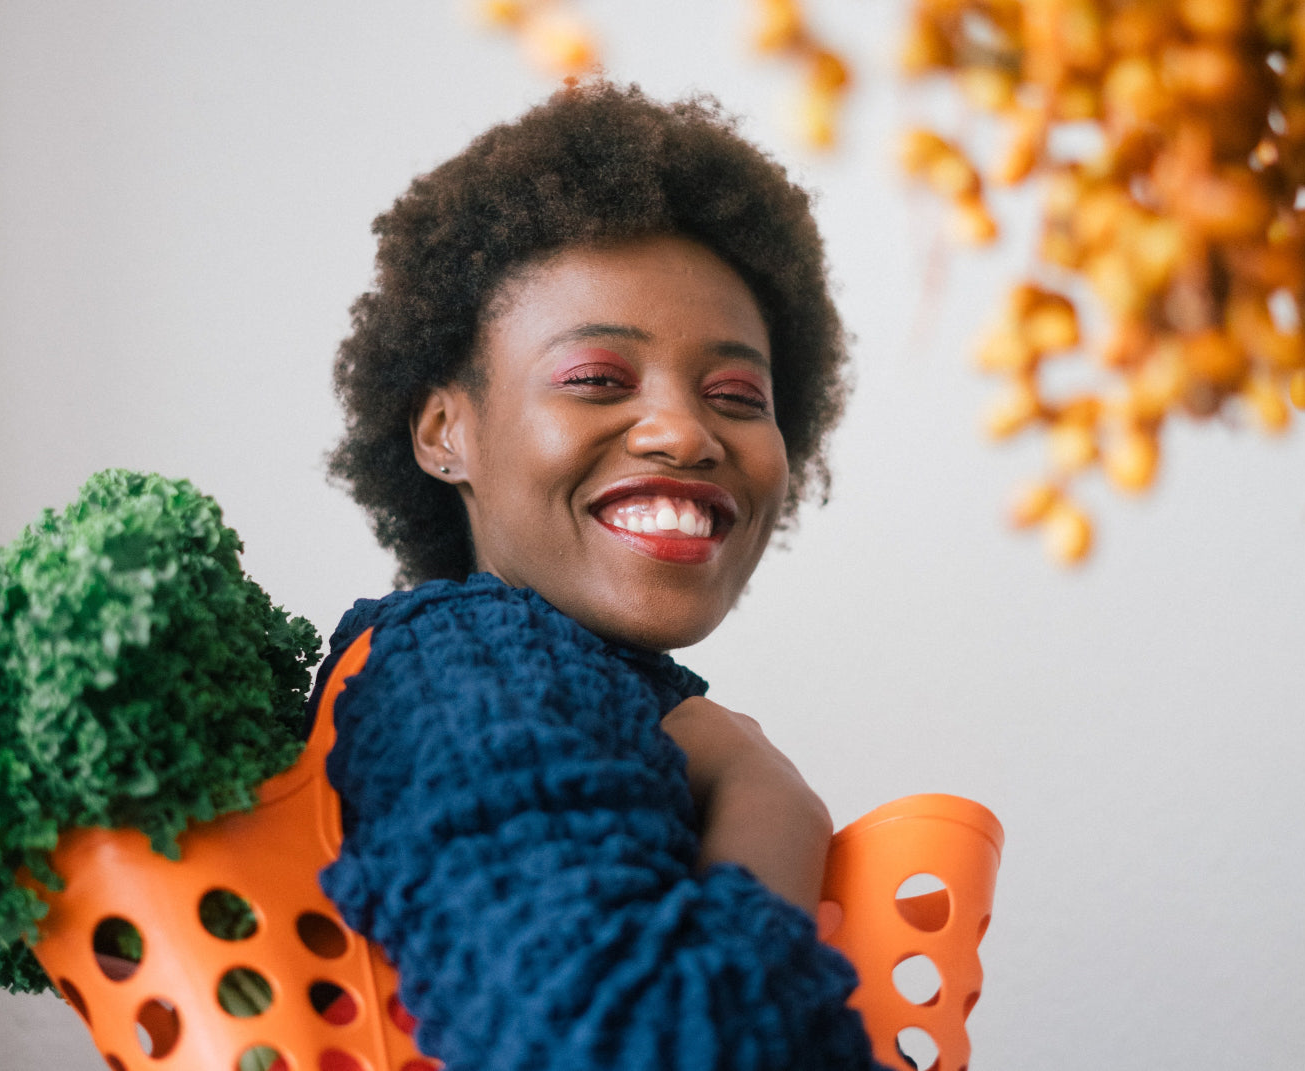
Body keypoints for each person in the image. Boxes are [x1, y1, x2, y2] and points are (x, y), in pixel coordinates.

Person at [317, 79, 889, 1070]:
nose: (681, 429)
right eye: (596, 380)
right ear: (447, 433)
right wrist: (766, 793)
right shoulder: (458, 669)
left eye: (737, 394)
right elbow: (635, 1042)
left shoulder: (570, 685)